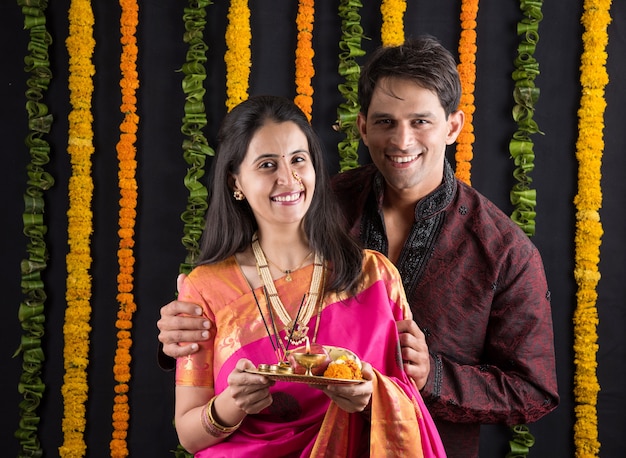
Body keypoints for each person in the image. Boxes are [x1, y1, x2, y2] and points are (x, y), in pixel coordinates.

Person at [158, 36, 559, 457]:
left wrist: (432, 378)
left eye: (420, 121)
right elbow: (242, 307)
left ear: (453, 126)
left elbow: (533, 391)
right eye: (386, 122)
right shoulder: (315, 200)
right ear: (363, 127)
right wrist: (187, 332)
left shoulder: (503, 250)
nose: (402, 141)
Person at [171, 94, 445, 457]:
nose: (289, 178)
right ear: (235, 181)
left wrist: (369, 397)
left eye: (299, 160)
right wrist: (230, 405)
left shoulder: (374, 275)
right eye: (267, 165)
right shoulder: (205, 288)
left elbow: (408, 405)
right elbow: (189, 435)